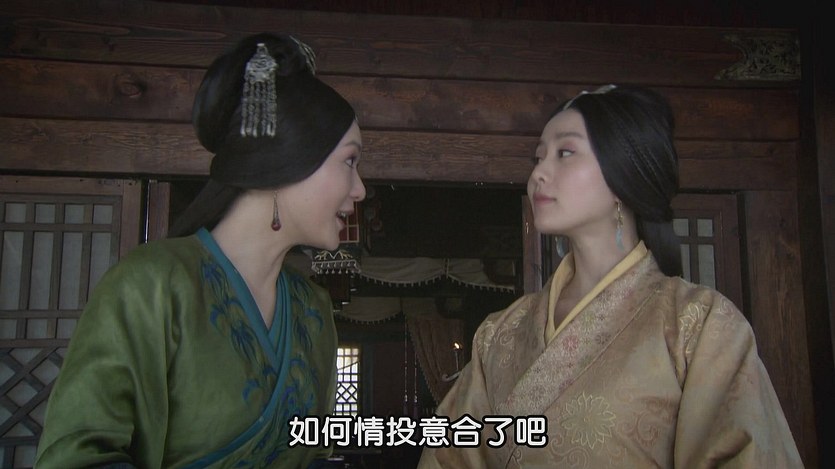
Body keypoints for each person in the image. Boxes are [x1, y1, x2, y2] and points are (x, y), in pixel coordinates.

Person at [417, 85, 802, 468]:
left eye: (565, 153)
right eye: (538, 157)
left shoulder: (697, 325)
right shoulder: (500, 332)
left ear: (623, 174)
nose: (538, 174)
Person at [35, 32, 366, 468]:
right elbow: (74, 456)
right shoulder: (152, 283)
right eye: (349, 161)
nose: (359, 190)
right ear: (286, 159)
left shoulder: (312, 307)